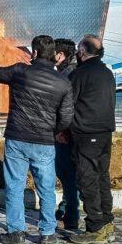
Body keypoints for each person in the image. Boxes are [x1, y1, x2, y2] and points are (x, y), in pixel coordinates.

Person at [0, 36, 73, 244]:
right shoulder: (63, 82)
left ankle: (16, 233)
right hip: (45, 142)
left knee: (15, 186)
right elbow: (66, 117)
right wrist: (52, 131)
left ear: (36, 53)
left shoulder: (20, 71)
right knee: (47, 188)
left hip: (17, 139)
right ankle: (48, 233)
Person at [68, 35, 117, 244]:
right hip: (105, 133)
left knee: (87, 180)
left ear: (83, 52)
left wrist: (62, 128)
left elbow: (67, 104)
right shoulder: (107, 73)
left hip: (86, 135)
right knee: (102, 178)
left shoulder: (80, 73)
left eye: (79, 50)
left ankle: (94, 228)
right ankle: (106, 222)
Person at [53, 38, 80, 229]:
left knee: (67, 173)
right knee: (70, 174)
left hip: (67, 133)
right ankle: (67, 207)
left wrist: (62, 130)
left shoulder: (68, 75)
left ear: (61, 55)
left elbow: (67, 106)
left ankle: (71, 214)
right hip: (77, 132)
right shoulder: (74, 71)